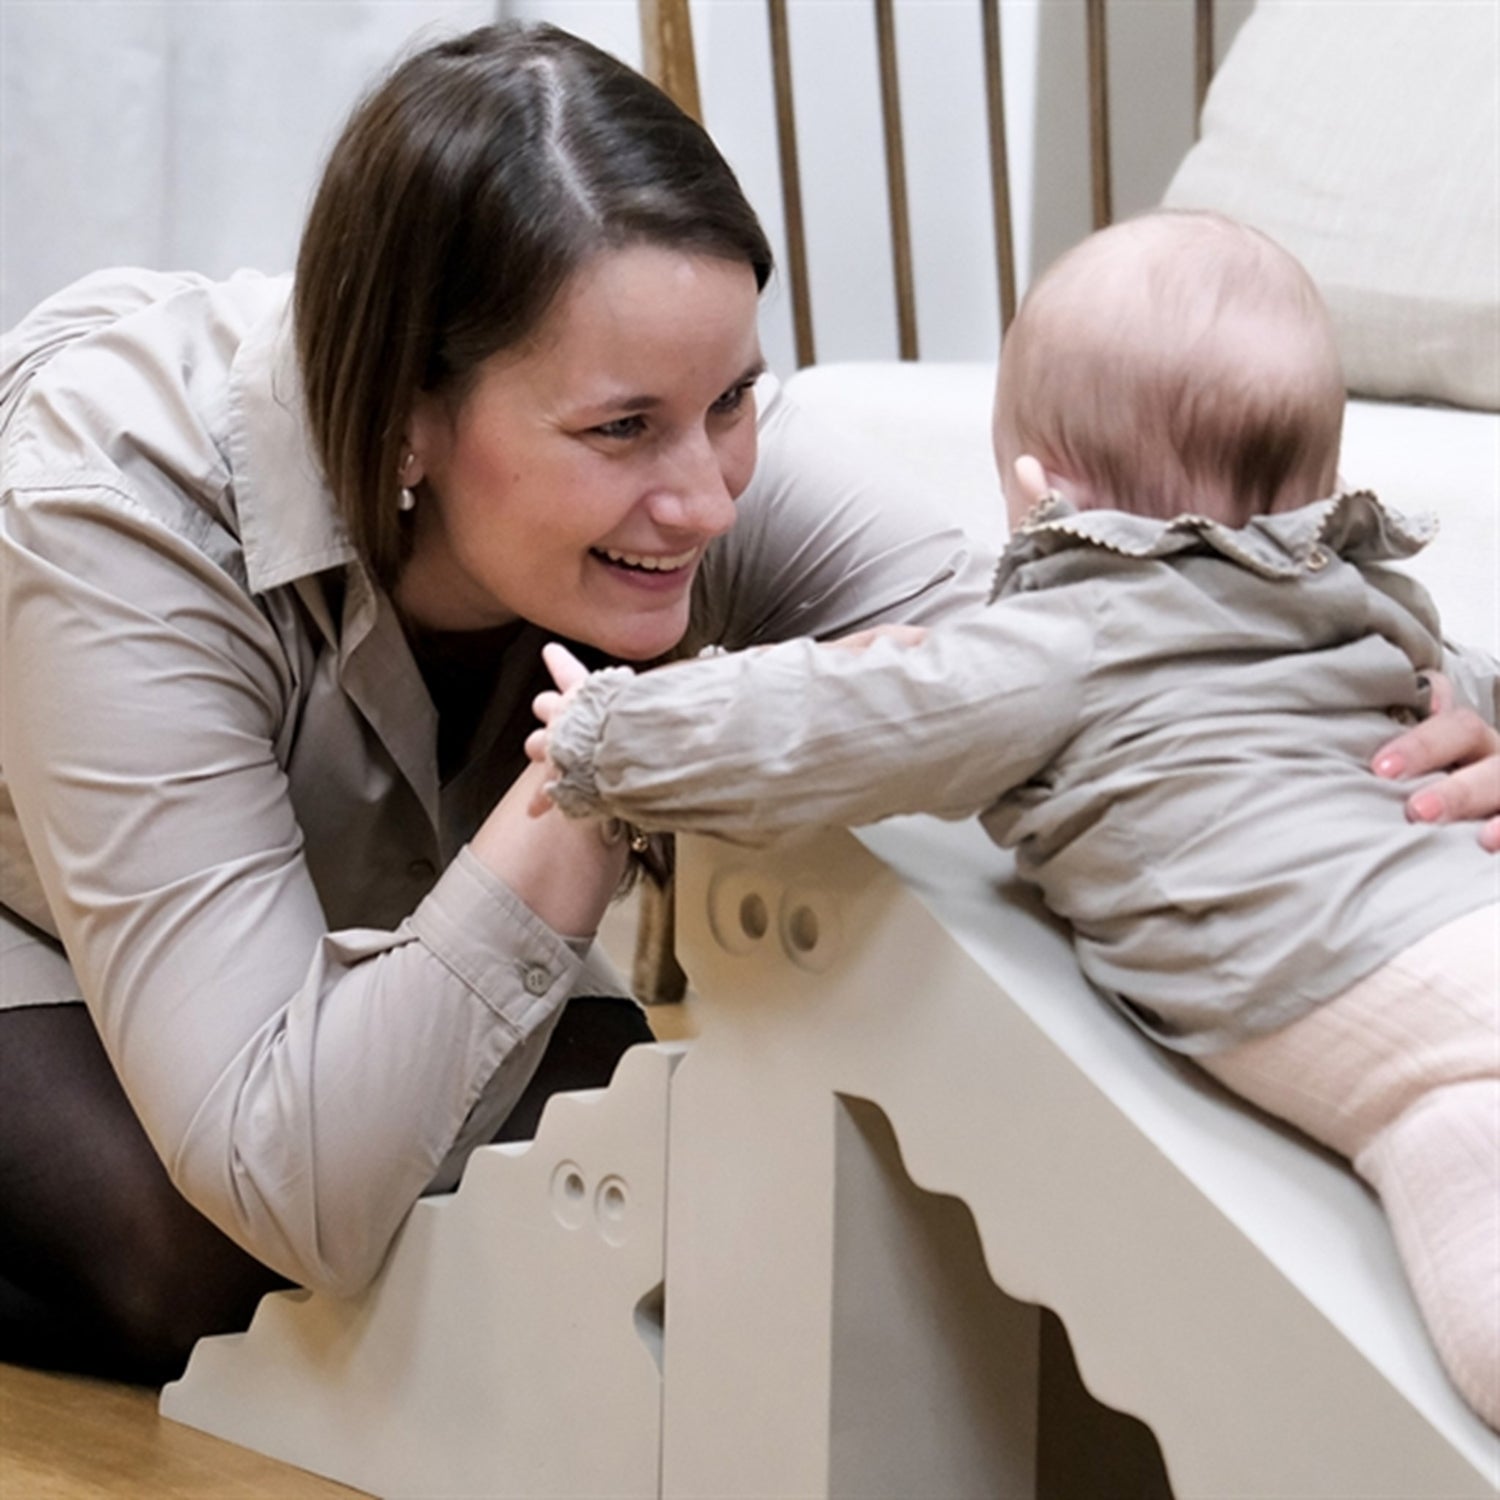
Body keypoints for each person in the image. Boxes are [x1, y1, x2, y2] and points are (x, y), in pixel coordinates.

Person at [0, 21, 1014, 1383]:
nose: (708, 499)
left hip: (319, 923)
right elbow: (290, 1185)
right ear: (405, 416)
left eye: (733, 399)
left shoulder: (673, 430)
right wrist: (605, 773)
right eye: (622, 430)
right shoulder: (120, 505)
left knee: (619, 1135)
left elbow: (1037, 665)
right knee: (201, 1264)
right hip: (29, 911)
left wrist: (1353, 677)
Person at [529, 211, 1500, 1428]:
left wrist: (612, 736)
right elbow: (1478, 680)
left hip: (1388, 1000)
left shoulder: (1069, 634)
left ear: (1040, 492)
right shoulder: (1369, 599)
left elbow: (840, 719)